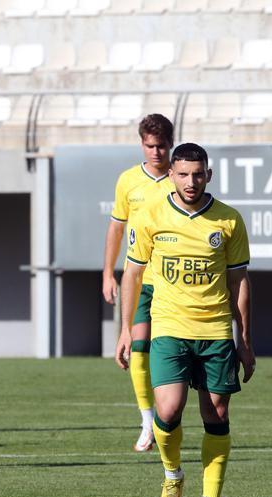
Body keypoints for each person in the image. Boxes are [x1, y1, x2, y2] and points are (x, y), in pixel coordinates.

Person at [116, 142, 255, 497]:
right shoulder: (150, 215)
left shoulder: (228, 220)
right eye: (183, 174)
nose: (191, 182)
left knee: (217, 413)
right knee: (168, 409)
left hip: (214, 331)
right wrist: (127, 330)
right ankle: (173, 477)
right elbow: (131, 273)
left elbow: (238, 281)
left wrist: (244, 338)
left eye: (198, 174)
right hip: (169, 328)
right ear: (172, 175)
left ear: (208, 175)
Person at [103, 114, 174, 452]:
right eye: (150, 146)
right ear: (142, 144)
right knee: (137, 348)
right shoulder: (128, 180)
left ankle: (169, 415)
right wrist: (107, 272)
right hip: (142, 280)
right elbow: (116, 228)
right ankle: (148, 422)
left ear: (170, 144)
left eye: (161, 146)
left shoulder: (183, 179)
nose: (156, 152)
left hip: (174, 284)